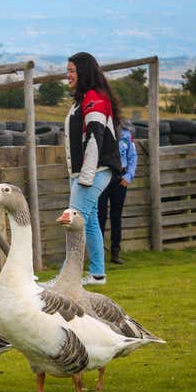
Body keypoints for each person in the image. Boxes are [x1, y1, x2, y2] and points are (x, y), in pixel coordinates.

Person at [63, 52, 122, 285]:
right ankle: (97, 274)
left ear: (83, 72)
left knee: (73, 221)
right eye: (67, 70)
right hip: (83, 172)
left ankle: (66, 279)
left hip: (94, 172)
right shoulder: (84, 98)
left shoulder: (94, 97)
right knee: (90, 221)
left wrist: (85, 178)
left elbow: (95, 138)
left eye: (71, 71)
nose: (67, 75)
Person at [97, 120, 137, 264]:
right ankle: (98, 254)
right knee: (100, 215)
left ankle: (115, 252)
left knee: (116, 216)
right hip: (102, 177)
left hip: (120, 179)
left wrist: (128, 176)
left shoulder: (126, 136)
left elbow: (132, 157)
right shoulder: (99, 134)